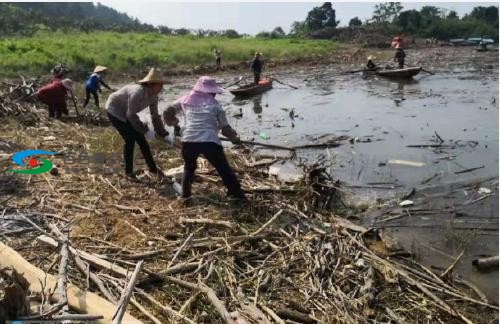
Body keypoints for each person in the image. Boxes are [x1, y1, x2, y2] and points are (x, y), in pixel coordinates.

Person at [163, 76, 246, 202]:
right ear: (210, 91)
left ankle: (185, 196)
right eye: (213, 92)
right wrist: (235, 139)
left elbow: (167, 111)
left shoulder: (184, 99)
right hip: (209, 140)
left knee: (189, 167)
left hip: (189, 141)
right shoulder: (215, 105)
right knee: (223, 168)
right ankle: (237, 194)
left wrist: (173, 123)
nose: (214, 95)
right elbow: (226, 129)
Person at [105, 68, 171, 179]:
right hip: (114, 109)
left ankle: (153, 168)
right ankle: (128, 172)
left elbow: (155, 116)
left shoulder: (154, 96)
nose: (162, 88)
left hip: (127, 113)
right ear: (152, 84)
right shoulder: (138, 92)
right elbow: (131, 115)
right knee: (130, 139)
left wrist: (163, 133)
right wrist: (145, 130)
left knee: (142, 140)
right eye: (160, 85)